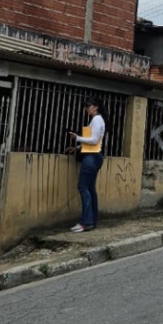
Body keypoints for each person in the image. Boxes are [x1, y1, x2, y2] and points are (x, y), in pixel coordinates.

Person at [68, 97, 106, 233]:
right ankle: (92, 220)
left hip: (92, 157)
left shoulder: (96, 120)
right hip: (94, 155)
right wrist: (78, 147)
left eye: (88, 106)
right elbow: (93, 141)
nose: (87, 109)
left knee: (83, 187)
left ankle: (86, 222)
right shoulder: (97, 120)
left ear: (95, 107)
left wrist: (77, 138)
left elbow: (94, 140)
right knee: (90, 188)